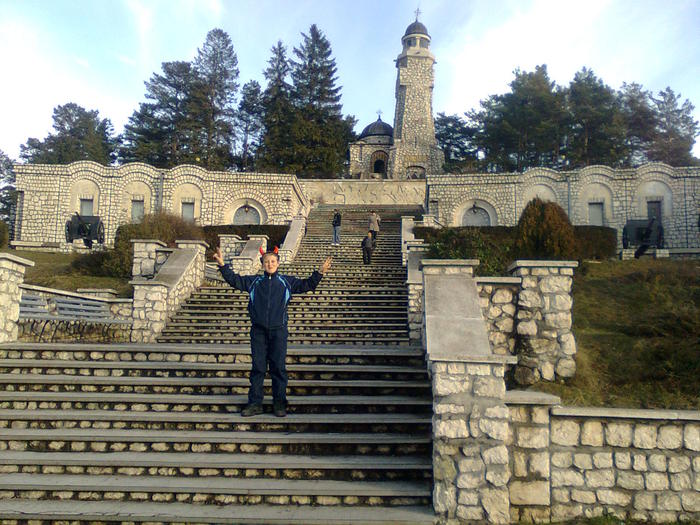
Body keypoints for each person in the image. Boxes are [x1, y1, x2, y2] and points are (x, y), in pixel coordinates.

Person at [213, 246, 332, 417]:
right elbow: (234, 280)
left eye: (273, 261)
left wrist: (319, 273)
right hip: (258, 332)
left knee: (278, 368)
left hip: (279, 331)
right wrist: (223, 265)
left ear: (278, 263)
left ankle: (279, 404)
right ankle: (255, 403)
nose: (270, 264)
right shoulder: (254, 282)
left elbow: (307, 285)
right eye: (267, 261)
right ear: (262, 264)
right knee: (258, 368)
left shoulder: (286, 282)